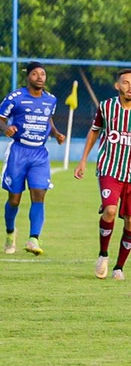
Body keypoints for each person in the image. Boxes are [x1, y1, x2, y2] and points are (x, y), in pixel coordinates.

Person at [72, 69, 131, 280]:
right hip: (109, 169)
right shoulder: (106, 107)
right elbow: (94, 131)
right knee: (111, 210)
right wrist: (83, 160)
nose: (130, 87)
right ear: (117, 86)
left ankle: (119, 267)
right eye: (126, 83)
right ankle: (103, 255)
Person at [1, 62, 65, 256]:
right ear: (28, 77)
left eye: (43, 74)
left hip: (39, 153)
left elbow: (48, 119)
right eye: (35, 74)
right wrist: (6, 129)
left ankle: (33, 239)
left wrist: (55, 133)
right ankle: (10, 232)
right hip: (18, 151)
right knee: (14, 200)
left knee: (39, 195)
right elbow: (0, 118)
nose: (40, 77)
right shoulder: (16, 97)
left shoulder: (51, 100)